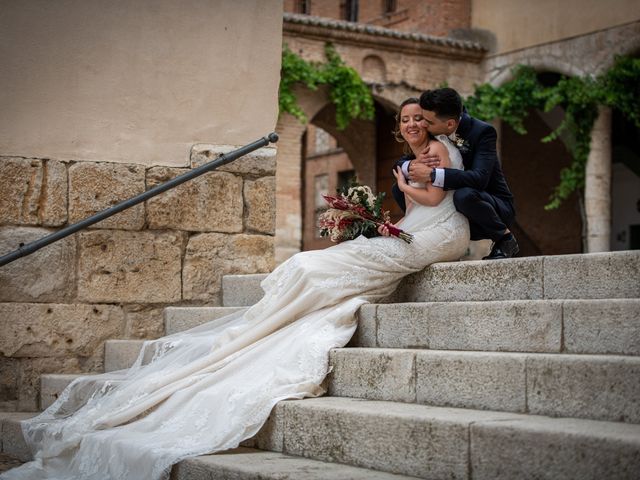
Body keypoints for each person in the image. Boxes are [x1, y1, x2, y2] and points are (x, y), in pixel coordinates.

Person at [1, 99, 469, 480]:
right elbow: (413, 210)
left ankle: (286, 309)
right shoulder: (410, 161)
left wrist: (409, 180)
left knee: (312, 267)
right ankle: (275, 315)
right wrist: (381, 221)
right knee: (309, 264)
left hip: (443, 233)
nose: (412, 125)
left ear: (431, 123)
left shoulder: (437, 153)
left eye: (418, 119)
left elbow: (434, 198)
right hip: (416, 229)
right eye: (405, 119)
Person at [393, 88, 518, 259]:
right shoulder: (436, 125)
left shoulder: (481, 132)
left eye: (426, 121)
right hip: (451, 208)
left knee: (463, 195)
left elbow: (479, 179)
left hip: (489, 204)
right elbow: (401, 161)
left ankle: (505, 238)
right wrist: (412, 165)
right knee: (398, 188)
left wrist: (433, 174)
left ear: (450, 124)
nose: (422, 125)